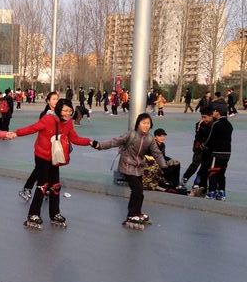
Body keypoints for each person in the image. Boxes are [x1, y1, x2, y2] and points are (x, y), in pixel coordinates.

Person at [15, 98, 98, 229]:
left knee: (55, 186)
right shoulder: (48, 120)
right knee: (42, 185)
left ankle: (55, 213)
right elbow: (32, 128)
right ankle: (33, 214)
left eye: (70, 111)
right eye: (65, 110)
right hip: (42, 155)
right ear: (59, 110)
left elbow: (75, 139)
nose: (68, 113)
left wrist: (90, 141)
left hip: (55, 157)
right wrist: (15, 133)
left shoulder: (69, 123)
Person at [96, 112, 168, 228]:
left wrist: (164, 166)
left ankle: (137, 212)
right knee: (137, 190)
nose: (146, 125)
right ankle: (131, 215)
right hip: (127, 166)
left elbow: (157, 153)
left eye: (148, 123)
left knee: (140, 193)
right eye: (143, 123)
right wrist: (99, 145)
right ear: (138, 124)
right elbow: (115, 141)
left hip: (138, 167)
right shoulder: (131, 135)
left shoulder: (150, 138)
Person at [18, 91, 60, 202]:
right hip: (43, 148)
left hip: (54, 149)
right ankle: (28, 188)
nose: (56, 101)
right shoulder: (45, 114)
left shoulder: (58, 113)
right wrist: (17, 133)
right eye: (54, 99)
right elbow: (35, 128)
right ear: (48, 101)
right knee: (40, 170)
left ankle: (45, 189)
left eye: (57, 99)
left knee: (48, 170)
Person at [195, 103, 233, 200]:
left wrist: (203, 146)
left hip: (217, 153)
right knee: (221, 172)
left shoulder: (216, 124)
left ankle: (211, 192)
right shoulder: (229, 125)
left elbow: (210, 139)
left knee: (213, 172)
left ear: (217, 112)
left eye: (214, 111)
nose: (213, 113)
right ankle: (221, 192)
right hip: (227, 153)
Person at [182, 107, 214, 189]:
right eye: (202, 117)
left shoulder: (214, 125)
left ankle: (198, 182)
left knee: (205, 166)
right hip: (199, 147)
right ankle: (185, 178)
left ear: (211, 116)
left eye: (205, 117)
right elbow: (198, 136)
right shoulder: (199, 124)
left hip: (209, 149)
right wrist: (200, 146)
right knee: (195, 163)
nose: (203, 119)